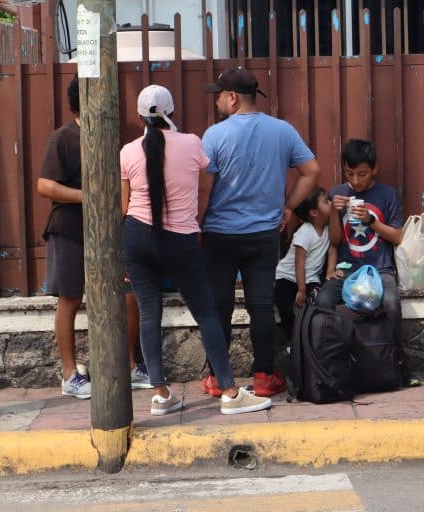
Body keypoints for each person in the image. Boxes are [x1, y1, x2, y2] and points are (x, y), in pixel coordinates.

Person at [121, 85, 271, 415]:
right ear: (171, 112)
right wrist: (196, 222)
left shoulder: (128, 152)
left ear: (139, 118)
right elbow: (204, 190)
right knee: (205, 313)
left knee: (149, 313)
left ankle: (160, 394)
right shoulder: (192, 144)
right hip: (181, 238)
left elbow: (125, 205)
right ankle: (230, 392)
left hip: (136, 236)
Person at [200, 67, 321, 398]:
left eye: (220, 97)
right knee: (261, 304)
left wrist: (196, 224)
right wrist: (288, 206)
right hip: (264, 234)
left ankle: (216, 378)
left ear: (233, 98)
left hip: (219, 235)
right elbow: (312, 171)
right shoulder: (282, 131)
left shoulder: (214, 135)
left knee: (219, 306)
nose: (217, 103)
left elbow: (203, 190)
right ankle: (265, 376)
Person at [37, 77, 148, 399]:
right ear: (85, 99)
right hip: (69, 229)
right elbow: (45, 186)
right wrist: (88, 196)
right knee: (70, 298)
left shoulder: (108, 136)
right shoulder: (62, 138)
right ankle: (69, 373)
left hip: (109, 230)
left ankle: (130, 366)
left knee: (127, 293)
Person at [316, 138, 418, 387]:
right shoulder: (337, 193)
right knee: (323, 302)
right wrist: (332, 214)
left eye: (362, 174)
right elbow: (336, 240)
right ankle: (331, 367)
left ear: (375, 169)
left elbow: (397, 236)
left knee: (392, 303)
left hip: (380, 269)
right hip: (346, 269)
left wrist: (372, 221)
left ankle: (398, 362)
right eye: (350, 173)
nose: (356, 181)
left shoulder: (388, 195)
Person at [274, 187, 336, 334]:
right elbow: (299, 263)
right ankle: (292, 339)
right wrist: (301, 290)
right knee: (285, 306)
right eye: (326, 202)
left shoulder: (329, 229)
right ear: (314, 213)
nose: (331, 203)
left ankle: (311, 339)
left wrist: (329, 272)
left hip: (310, 278)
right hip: (286, 276)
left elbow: (332, 250)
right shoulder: (305, 232)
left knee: (317, 303)